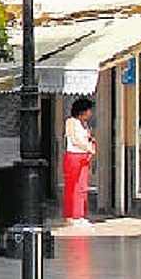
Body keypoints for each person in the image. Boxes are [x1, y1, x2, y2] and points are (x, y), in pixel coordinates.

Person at [64, 97, 97, 227]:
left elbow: (87, 138)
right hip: (73, 155)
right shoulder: (71, 122)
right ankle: (71, 215)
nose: (90, 113)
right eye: (89, 110)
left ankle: (81, 214)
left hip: (84, 156)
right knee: (72, 186)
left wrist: (91, 146)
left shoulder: (85, 124)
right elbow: (73, 139)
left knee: (82, 186)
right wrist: (87, 148)